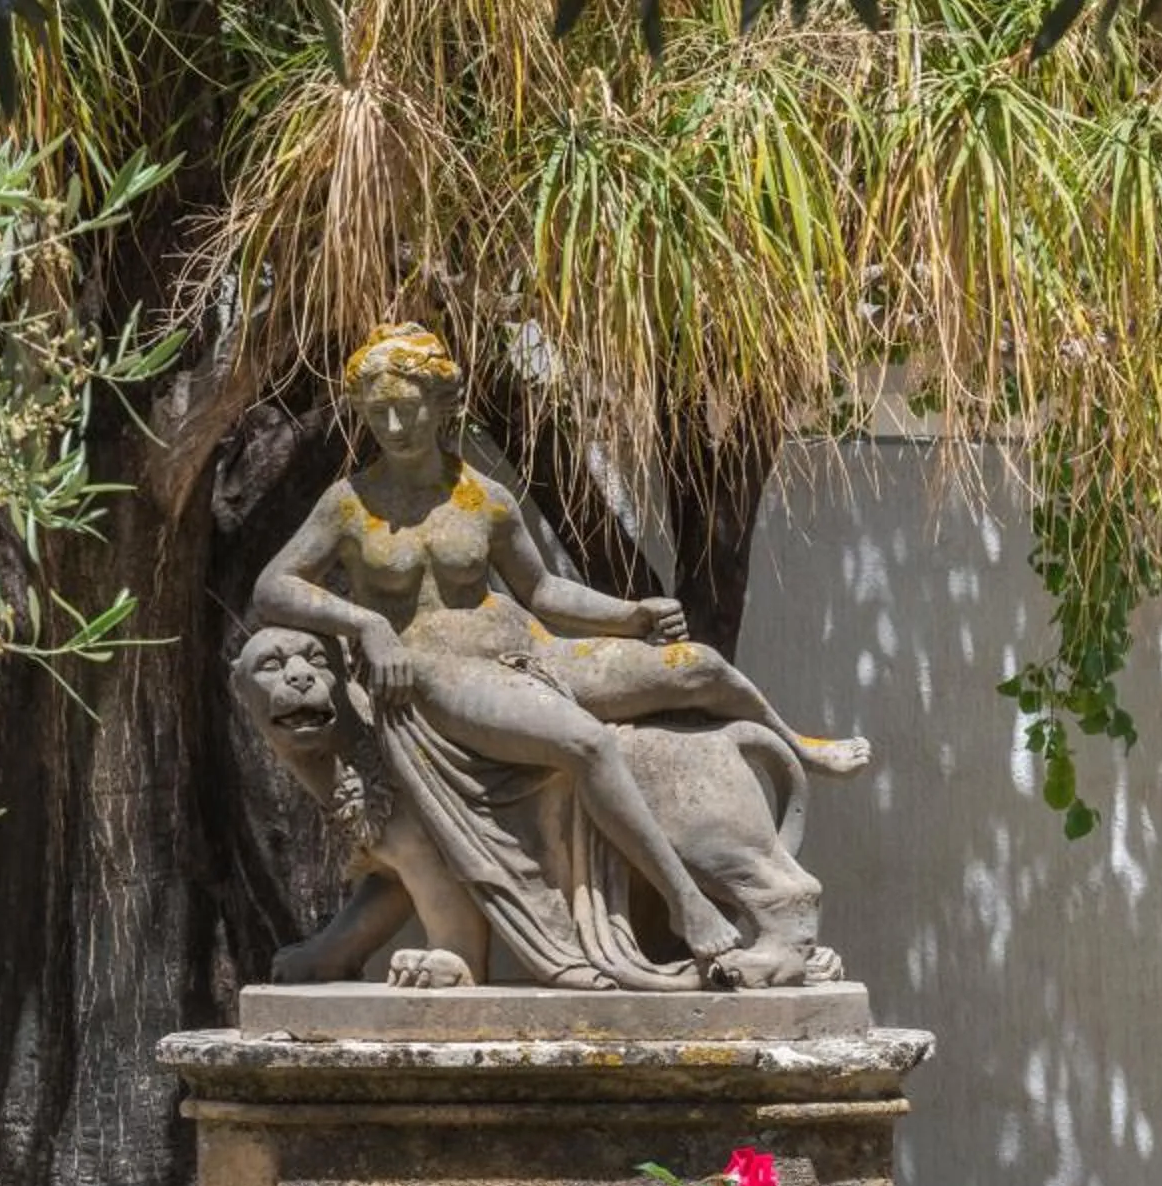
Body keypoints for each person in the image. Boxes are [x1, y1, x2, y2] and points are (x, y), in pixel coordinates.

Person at [249, 323, 866, 968]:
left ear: (442, 404)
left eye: (409, 408)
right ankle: (687, 901)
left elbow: (541, 590)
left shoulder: (484, 499)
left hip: (529, 647)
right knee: (587, 743)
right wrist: (368, 627)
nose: (395, 425)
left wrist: (629, 615)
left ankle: (799, 747)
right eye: (379, 413)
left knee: (698, 667)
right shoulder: (348, 505)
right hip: (439, 672)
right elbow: (275, 587)